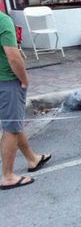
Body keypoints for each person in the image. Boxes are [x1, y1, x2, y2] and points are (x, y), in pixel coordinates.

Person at [0, 11, 51, 191]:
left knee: (13, 121)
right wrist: (24, 79)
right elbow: (13, 57)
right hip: (6, 80)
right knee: (11, 128)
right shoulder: (3, 20)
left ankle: (32, 158)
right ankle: (8, 176)